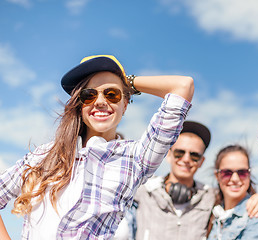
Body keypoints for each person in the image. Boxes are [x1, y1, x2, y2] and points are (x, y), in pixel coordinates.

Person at [0, 54, 194, 239]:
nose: (100, 101)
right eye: (89, 95)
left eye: (112, 94)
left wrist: (125, 81)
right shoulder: (44, 155)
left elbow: (182, 86)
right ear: (79, 104)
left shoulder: (136, 158)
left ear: (125, 104)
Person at [125, 121, 258, 240]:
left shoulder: (210, 197)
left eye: (194, 155)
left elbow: (235, 198)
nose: (186, 159)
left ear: (201, 161)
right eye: (179, 153)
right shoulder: (143, 190)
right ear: (168, 155)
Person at [207, 144, 258, 240]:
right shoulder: (214, 214)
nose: (235, 179)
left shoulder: (257, 215)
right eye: (227, 173)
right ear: (217, 176)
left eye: (242, 172)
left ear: (249, 174)